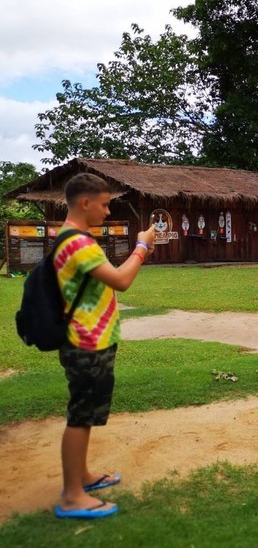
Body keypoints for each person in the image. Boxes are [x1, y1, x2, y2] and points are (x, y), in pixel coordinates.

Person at [54, 173, 155, 520]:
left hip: (92, 340)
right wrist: (142, 247)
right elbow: (122, 280)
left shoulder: (76, 238)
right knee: (81, 416)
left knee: (86, 413)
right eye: (105, 204)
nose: (109, 212)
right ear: (85, 203)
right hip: (85, 342)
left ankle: (80, 477)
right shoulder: (77, 242)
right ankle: (71, 495)